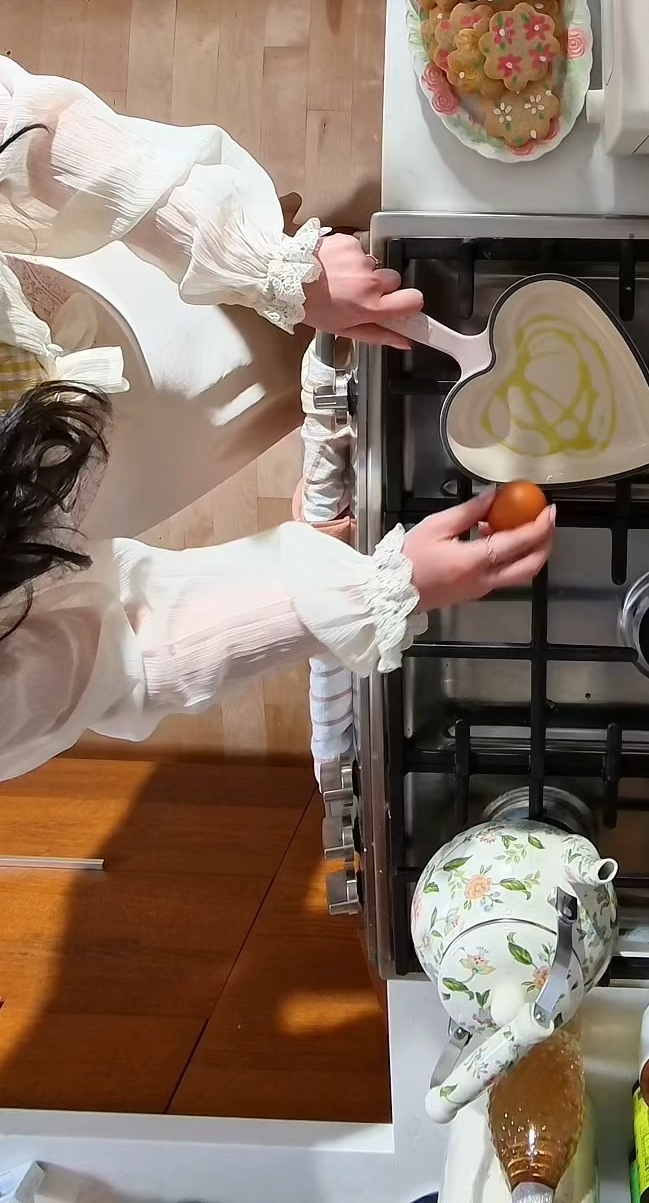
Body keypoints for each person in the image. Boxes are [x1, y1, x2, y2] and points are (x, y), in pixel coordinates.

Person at [0, 58, 554, 782]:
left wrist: (272, 265)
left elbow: (32, 133)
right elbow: (122, 654)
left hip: (60, 294)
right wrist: (351, 592)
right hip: (92, 486)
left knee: (261, 322)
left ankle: (316, 260)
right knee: (253, 388)